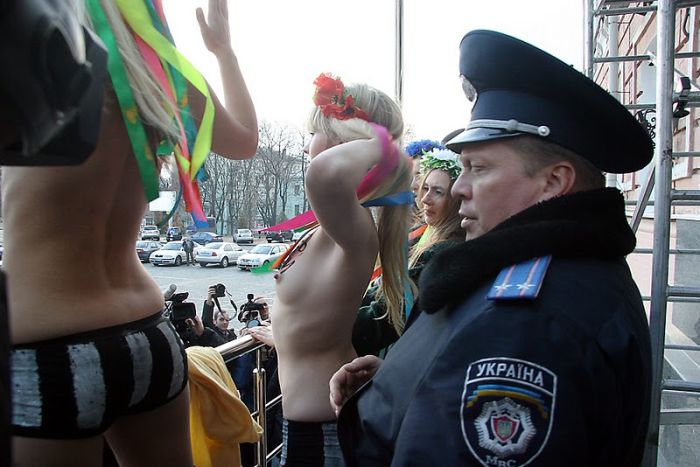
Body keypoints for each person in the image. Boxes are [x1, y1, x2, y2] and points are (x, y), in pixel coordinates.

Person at [331, 29, 653, 467]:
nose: (459, 188)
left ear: (553, 182)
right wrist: (404, 381)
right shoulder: (569, 272)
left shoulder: (523, 324)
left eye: (478, 168)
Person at [4, 0, 258, 465]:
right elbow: (244, 141)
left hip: (47, 342)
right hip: (147, 332)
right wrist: (223, 52)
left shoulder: (25, 45)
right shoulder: (158, 72)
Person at [271, 73, 413, 466]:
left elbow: (324, 174)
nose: (307, 145)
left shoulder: (354, 229)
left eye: (314, 132)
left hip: (326, 434)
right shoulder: (335, 227)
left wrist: (383, 146)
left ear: (344, 138)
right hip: (312, 427)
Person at [352, 147, 464, 357]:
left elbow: (393, 313)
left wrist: (334, 331)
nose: (425, 199)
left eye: (438, 192)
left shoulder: (446, 249)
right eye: (425, 188)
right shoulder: (422, 234)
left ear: (456, 199)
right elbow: (382, 290)